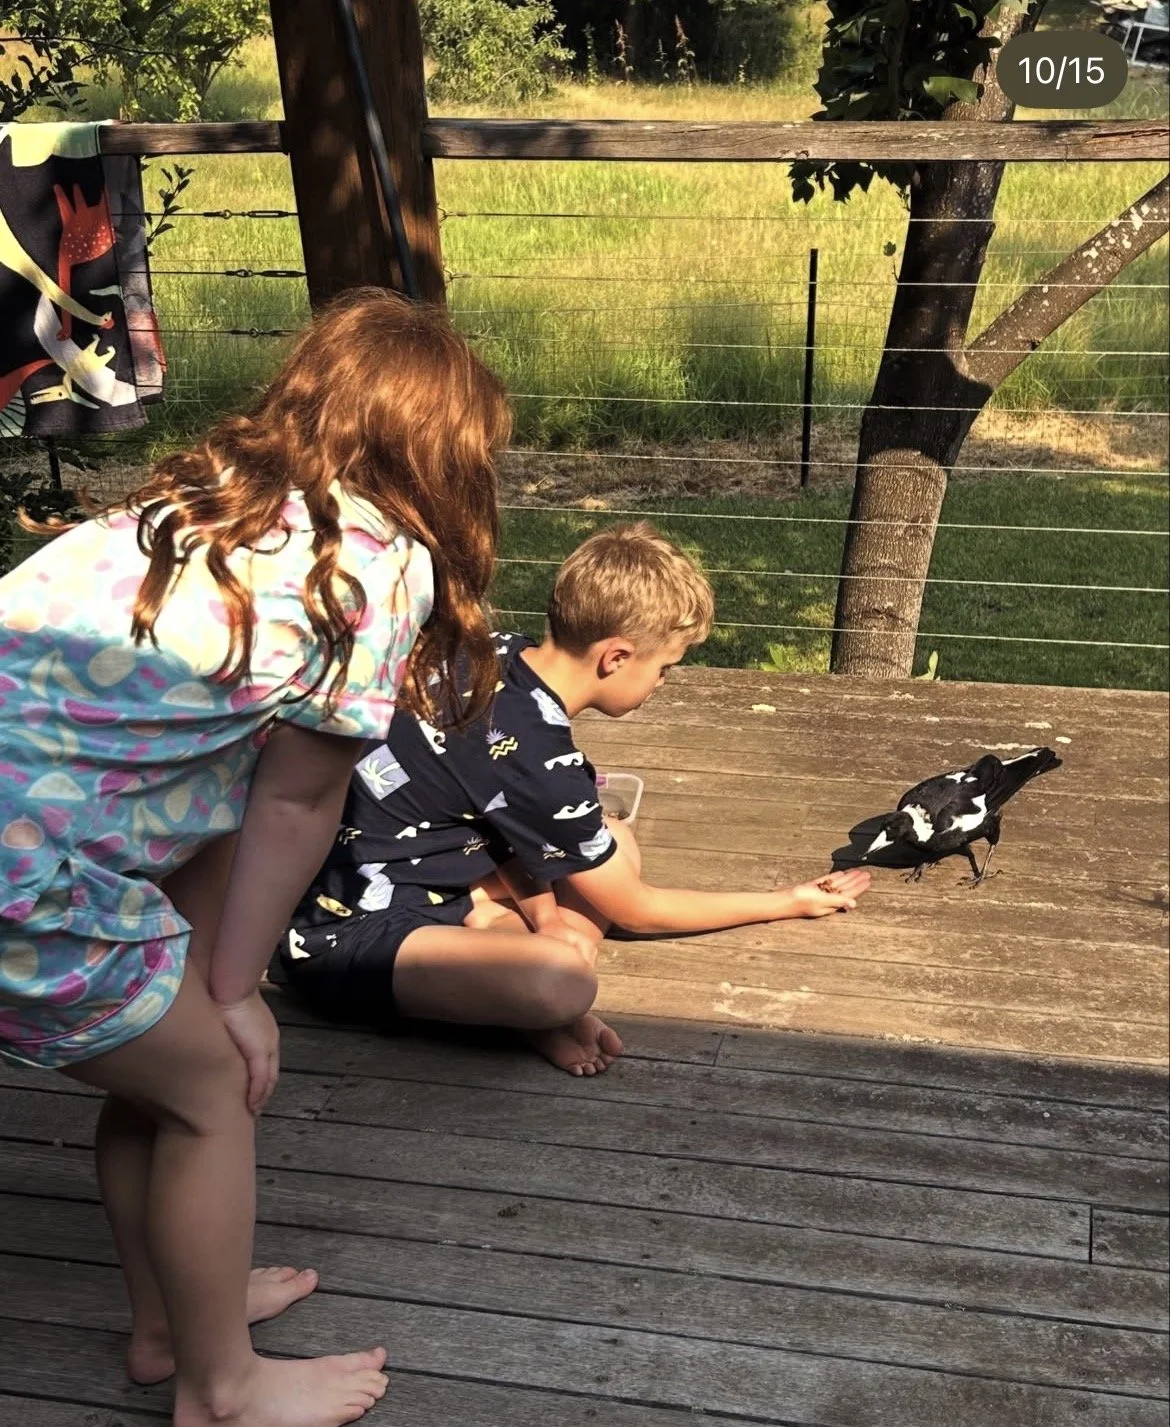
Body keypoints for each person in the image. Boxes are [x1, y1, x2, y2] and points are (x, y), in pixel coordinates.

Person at [0, 287, 510, 1427]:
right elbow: (296, 798)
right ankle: (219, 1387)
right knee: (212, 1090)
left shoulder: (207, 506)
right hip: (20, 865)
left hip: (32, 840)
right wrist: (235, 993)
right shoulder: (371, 564)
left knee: (158, 1070)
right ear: (446, 458)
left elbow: (214, 796)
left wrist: (198, 978)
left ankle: (170, 1320)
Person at [277, 522, 871, 1076]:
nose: (662, 683)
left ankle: (503, 954)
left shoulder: (499, 651)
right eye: (665, 667)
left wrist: (543, 915)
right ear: (615, 656)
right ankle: (526, 1009)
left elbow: (496, 814)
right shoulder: (535, 752)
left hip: (433, 876)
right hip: (346, 935)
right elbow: (638, 910)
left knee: (616, 845)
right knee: (562, 979)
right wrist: (785, 902)